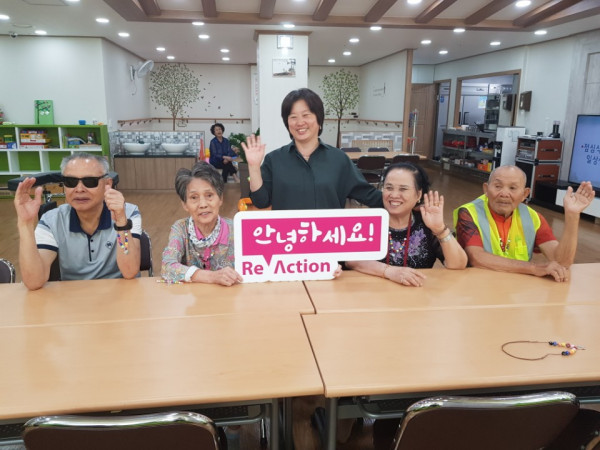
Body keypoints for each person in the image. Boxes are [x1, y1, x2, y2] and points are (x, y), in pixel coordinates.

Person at [14, 152, 141, 290]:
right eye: (71, 182)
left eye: (90, 181)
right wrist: (25, 223)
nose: (79, 189)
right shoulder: (52, 221)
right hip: (72, 296)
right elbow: (34, 282)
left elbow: (129, 271)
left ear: (107, 184)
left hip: (121, 294)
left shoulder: (127, 213)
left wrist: (121, 222)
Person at [243, 88, 382, 210]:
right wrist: (254, 167)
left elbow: (368, 195)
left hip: (328, 231)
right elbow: (261, 202)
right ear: (287, 123)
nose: (299, 122)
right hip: (288, 232)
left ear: (319, 119)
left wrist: (393, 197)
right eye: (293, 117)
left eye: (306, 115)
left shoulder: (339, 159)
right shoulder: (274, 160)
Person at [454, 165, 594, 282]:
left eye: (513, 188)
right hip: (478, 284)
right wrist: (534, 268)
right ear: (486, 189)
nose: (504, 193)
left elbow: (561, 262)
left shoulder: (533, 218)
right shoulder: (469, 213)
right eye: (497, 186)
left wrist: (572, 216)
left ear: (525, 194)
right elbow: (476, 258)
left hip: (518, 288)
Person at [346, 163, 467, 286]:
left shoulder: (426, 223)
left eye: (403, 189)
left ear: (418, 195)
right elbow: (351, 260)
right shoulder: (370, 220)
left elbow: (458, 264)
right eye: (389, 188)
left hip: (417, 292)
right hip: (374, 292)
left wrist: (440, 229)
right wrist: (388, 271)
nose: (394, 195)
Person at [161, 161, 243, 286]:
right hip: (192, 297)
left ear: (220, 199)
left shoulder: (238, 229)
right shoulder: (181, 228)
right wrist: (211, 277)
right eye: (194, 197)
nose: (203, 204)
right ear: (185, 204)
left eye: (209, 195)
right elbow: (167, 266)